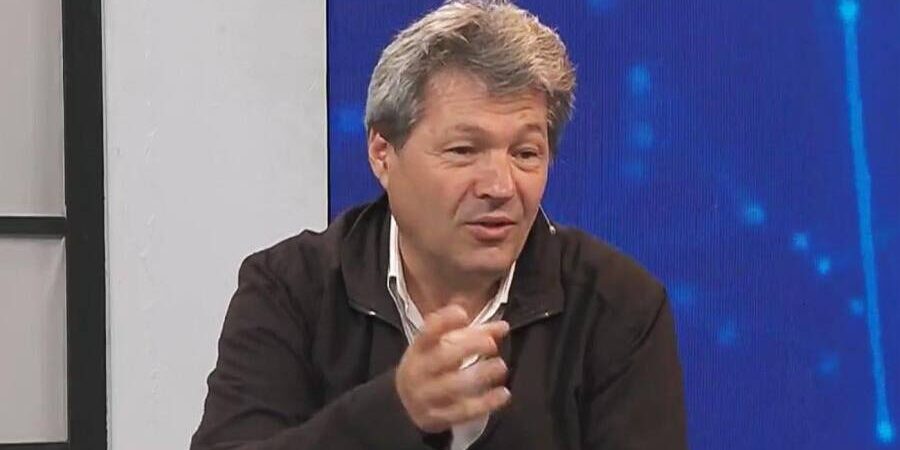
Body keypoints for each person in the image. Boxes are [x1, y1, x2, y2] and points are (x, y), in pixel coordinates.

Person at [191, 1, 687, 449]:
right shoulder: (291, 288)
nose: (500, 186)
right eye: (464, 150)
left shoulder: (618, 306)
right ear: (382, 153)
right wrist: (394, 410)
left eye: (525, 153)